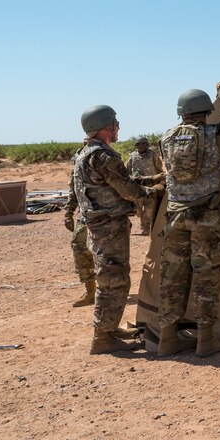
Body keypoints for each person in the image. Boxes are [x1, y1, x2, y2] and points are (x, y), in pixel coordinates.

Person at [156, 81, 220, 357]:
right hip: (206, 216)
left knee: (171, 277)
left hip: (175, 217)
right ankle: (205, 340)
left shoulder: (165, 138)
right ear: (206, 111)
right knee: (205, 277)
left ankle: (167, 339)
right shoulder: (216, 133)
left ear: (181, 112)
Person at [70, 105, 163, 353]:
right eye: (115, 124)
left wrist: (152, 180)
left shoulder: (86, 153)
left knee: (111, 276)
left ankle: (109, 328)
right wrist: (153, 193)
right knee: (113, 279)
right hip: (108, 226)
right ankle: (103, 337)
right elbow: (128, 190)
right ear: (106, 127)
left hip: (101, 226)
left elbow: (120, 182)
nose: (118, 127)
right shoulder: (104, 156)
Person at [62, 184, 95, 307]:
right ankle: (90, 291)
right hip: (87, 216)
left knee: (109, 254)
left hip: (110, 216)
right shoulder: (78, 165)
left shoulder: (108, 164)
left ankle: (113, 291)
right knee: (80, 248)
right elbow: (75, 189)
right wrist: (68, 213)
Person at [126, 136, 164, 235]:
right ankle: (143, 224)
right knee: (138, 209)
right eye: (139, 144)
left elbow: (159, 169)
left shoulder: (153, 154)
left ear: (147, 145)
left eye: (144, 143)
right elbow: (127, 172)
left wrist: (159, 180)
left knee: (149, 207)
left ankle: (146, 227)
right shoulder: (132, 156)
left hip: (151, 186)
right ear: (136, 145)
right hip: (137, 186)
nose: (141, 145)